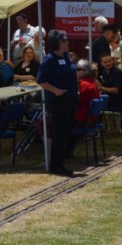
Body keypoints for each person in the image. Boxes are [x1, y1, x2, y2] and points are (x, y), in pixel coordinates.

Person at [36, 29, 78, 177]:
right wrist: (55, 90)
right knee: (60, 133)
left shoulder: (67, 56)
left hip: (71, 98)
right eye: (65, 40)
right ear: (58, 44)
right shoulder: (49, 60)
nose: (68, 42)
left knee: (66, 132)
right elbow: (41, 81)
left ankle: (61, 161)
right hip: (58, 100)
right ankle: (56, 165)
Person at [72, 60, 101, 158]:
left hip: (82, 120)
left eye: (78, 69)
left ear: (85, 71)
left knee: (50, 123)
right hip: (90, 119)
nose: (75, 71)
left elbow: (75, 102)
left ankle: (61, 153)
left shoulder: (83, 85)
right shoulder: (91, 83)